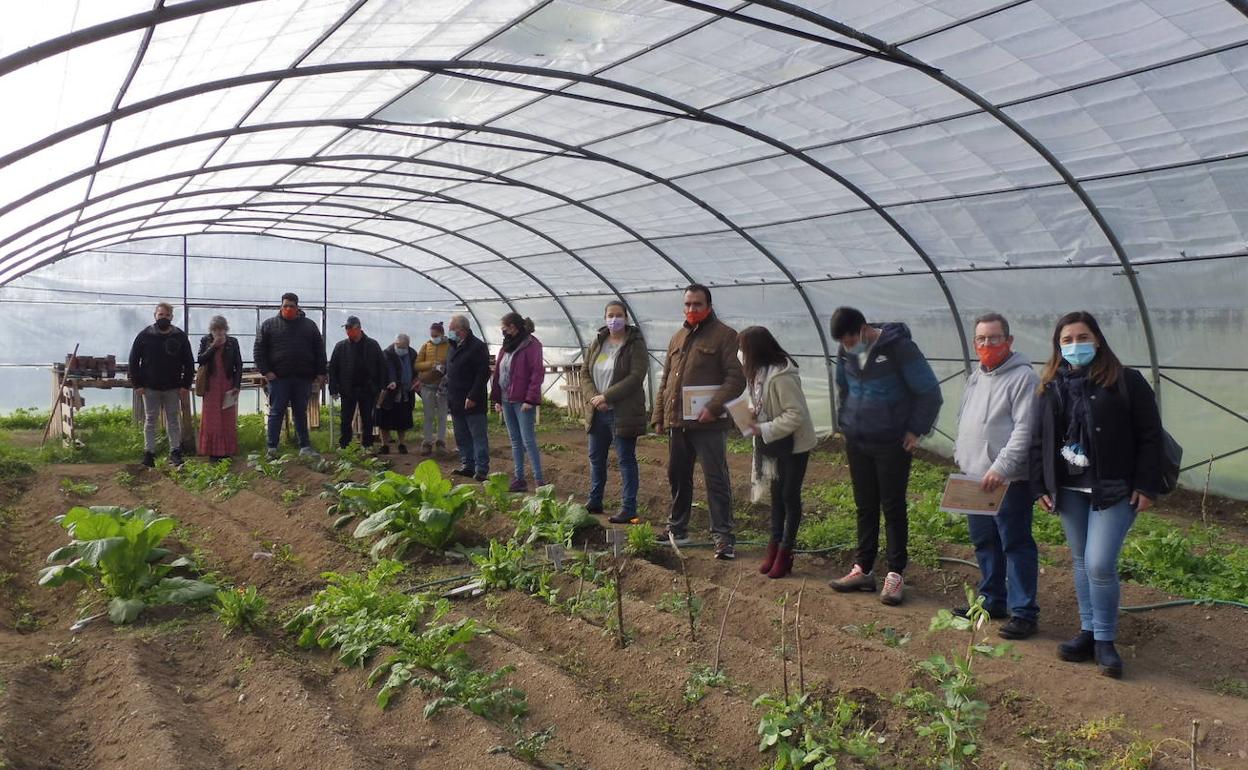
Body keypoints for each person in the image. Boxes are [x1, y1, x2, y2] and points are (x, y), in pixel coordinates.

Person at [1030, 311, 1161, 679]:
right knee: (1080, 560)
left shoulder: (1126, 381)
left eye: (1081, 337)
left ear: (1098, 339)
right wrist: (1039, 484)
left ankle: (1105, 639)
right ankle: (1087, 632)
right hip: (1069, 489)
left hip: (1113, 488)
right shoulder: (1051, 385)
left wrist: (1146, 484)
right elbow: (1039, 438)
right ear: (1058, 346)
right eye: (1067, 340)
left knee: (1100, 562)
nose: (1075, 345)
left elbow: (1150, 435)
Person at [827, 306, 943, 605]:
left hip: (891, 442)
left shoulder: (899, 349)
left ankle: (895, 573)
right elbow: (843, 387)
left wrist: (915, 430)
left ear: (864, 329)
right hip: (858, 440)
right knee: (864, 505)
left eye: (850, 341)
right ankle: (862, 568)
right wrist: (846, 423)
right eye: (841, 343)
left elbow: (929, 392)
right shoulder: (846, 351)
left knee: (892, 506)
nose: (846, 348)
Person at [952, 313, 1040, 640]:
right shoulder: (976, 377)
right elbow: (965, 420)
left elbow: (1025, 430)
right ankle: (992, 599)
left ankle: (1024, 612)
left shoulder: (1024, 379)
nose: (987, 345)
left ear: (1009, 341)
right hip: (975, 477)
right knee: (985, 541)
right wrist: (963, 458)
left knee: (1014, 542)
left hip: (1008, 480)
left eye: (994, 338)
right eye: (981, 339)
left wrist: (1000, 468)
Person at [650, 284, 745, 560]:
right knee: (677, 475)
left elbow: (736, 379)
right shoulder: (677, 337)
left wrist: (713, 408)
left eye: (697, 305)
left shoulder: (725, 336)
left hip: (709, 424)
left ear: (709, 306)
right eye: (688, 304)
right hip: (678, 422)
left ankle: (723, 536)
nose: (692, 309)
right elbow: (666, 380)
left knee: (716, 478)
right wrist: (659, 415)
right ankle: (677, 528)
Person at [739, 326, 817, 579]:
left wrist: (763, 427)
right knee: (776, 496)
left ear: (755, 350)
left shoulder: (782, 375)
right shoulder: (757, 372)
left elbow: (796, 414)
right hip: (772, 444)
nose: (740, 354)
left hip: (793, 445)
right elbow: (759, 401)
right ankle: (773, 547)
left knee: (789, 497)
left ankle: (786, 552)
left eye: (743, 349)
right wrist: (751, 412)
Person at [581, 301, 647, 525]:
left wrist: (607, 396)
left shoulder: (634, 344)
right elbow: (584, 373)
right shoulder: (598, 343)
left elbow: (636, 376)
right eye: (610, 315)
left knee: (625, 459)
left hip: (622, 411)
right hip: (597, 411)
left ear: (626, 318)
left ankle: (629, 507)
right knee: (596, 458)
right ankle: (595, 500)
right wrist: (594, 397)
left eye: (619, 315)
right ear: (605, 317)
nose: (614, 319)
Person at [254, 292, 326, 458]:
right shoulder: (269, 325)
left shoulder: (309, 326)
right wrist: (266, 371)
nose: (288, 309)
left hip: (303, 377)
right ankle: (272, 448)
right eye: (285, 305)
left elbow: (319, 350)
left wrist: (320, 372)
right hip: (279, 378)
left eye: (291, 306)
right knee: (276, 411)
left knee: (300, 412)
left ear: (297, 307)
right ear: (281, 306)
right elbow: (259, 350)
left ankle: (305, 447)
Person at [129, 302, 195, 467]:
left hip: (173, 387)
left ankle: (175, 452)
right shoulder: (144, 336)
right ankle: (149, 454)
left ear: (172, 317)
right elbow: (133, 361)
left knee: (173, 419)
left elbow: (189, 362)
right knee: (150, 420)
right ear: (155, 316)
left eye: (167, 315)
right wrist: (137, 384)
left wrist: (185, 385)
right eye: (161, 315)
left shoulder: (179, 336)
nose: (163, 318)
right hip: (150, 387)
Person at [490, 313, 545, 492]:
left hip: (522, 401)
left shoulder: (531, 344)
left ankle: (540, 481)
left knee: (528, 440)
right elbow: (498, 372)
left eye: (505, 328)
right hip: (506, 399)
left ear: (513, 327)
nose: (503, 332)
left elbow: (536, 373)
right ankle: (519, 479)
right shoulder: (506, 346)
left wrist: (530, 399)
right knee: (515, 440)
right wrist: (497, 398)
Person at [327, 316, 386, 451]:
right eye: (346, 328)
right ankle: (345, 445)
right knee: (346, 418)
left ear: (359, 328)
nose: (348, 331)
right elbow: (333, 368)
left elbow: (381, 366)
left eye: (350, 328)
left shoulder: (372, 345)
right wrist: (333, 388)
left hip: (368, 388)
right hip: (348, 388)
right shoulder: (341, 346)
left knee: (367, 419)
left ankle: (368, 445)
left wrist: (382, 386)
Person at [444, 314, 491, 481]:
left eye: (451, 330)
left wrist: (472, 396)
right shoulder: (452, 346)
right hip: (455, 399)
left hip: (472, 401)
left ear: (462, 331)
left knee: (477, 435)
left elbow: (482, 374)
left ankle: (481, 469)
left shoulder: (477, 347)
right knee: (461, 435)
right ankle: (468, 465)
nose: (449, 333)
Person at [196, 315, 243, 462]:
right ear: (211, 330)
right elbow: (201, 359)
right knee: (211, 418)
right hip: (211, 385)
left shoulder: (232, 342)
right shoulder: (206, 340)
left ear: (226, 329)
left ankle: (226, 451)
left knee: (227, 417)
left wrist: (236, 385)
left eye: (221, 329)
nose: (219, 332)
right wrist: (213, 346)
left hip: (227, 383)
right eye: (216, 329)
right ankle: (213, 452)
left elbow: (238, 365)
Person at [414, 322, 451, 455]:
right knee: (428, 416)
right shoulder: (426, 345)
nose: (433, 337)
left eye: (436, 335)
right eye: (432, 335)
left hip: (443, 387)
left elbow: (452, 363)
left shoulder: (449, 346)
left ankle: (441, 442)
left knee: (442, 416)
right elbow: (417, 365)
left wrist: (444, 368)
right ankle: (427, 442)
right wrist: (431, 364)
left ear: (442, 334)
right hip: (427, 386)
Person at [378, 333, 417, 454]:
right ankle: (384, 445)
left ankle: (402, 444)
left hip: (406, 391)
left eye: (404, 347)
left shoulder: (412, 353)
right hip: (389, 392)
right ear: (395, 343)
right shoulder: (387, 353)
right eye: (399, 346)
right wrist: (391, 381)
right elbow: (387, 369)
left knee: (403, 419)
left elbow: (415, 369)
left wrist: (416, 380)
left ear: (408, 346)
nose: (401, 349)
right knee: (385, 419)